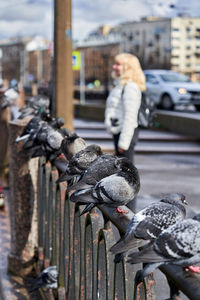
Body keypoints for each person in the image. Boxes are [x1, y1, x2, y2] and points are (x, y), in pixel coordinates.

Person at [104, 53, 146, 163]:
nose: (114, 67)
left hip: (125, 135)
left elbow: (130, 117)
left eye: (118, 64)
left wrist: (123, 143)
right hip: (119, 132)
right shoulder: (121, 85)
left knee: (126, 174)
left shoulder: (130, 87)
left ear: (128, 68)